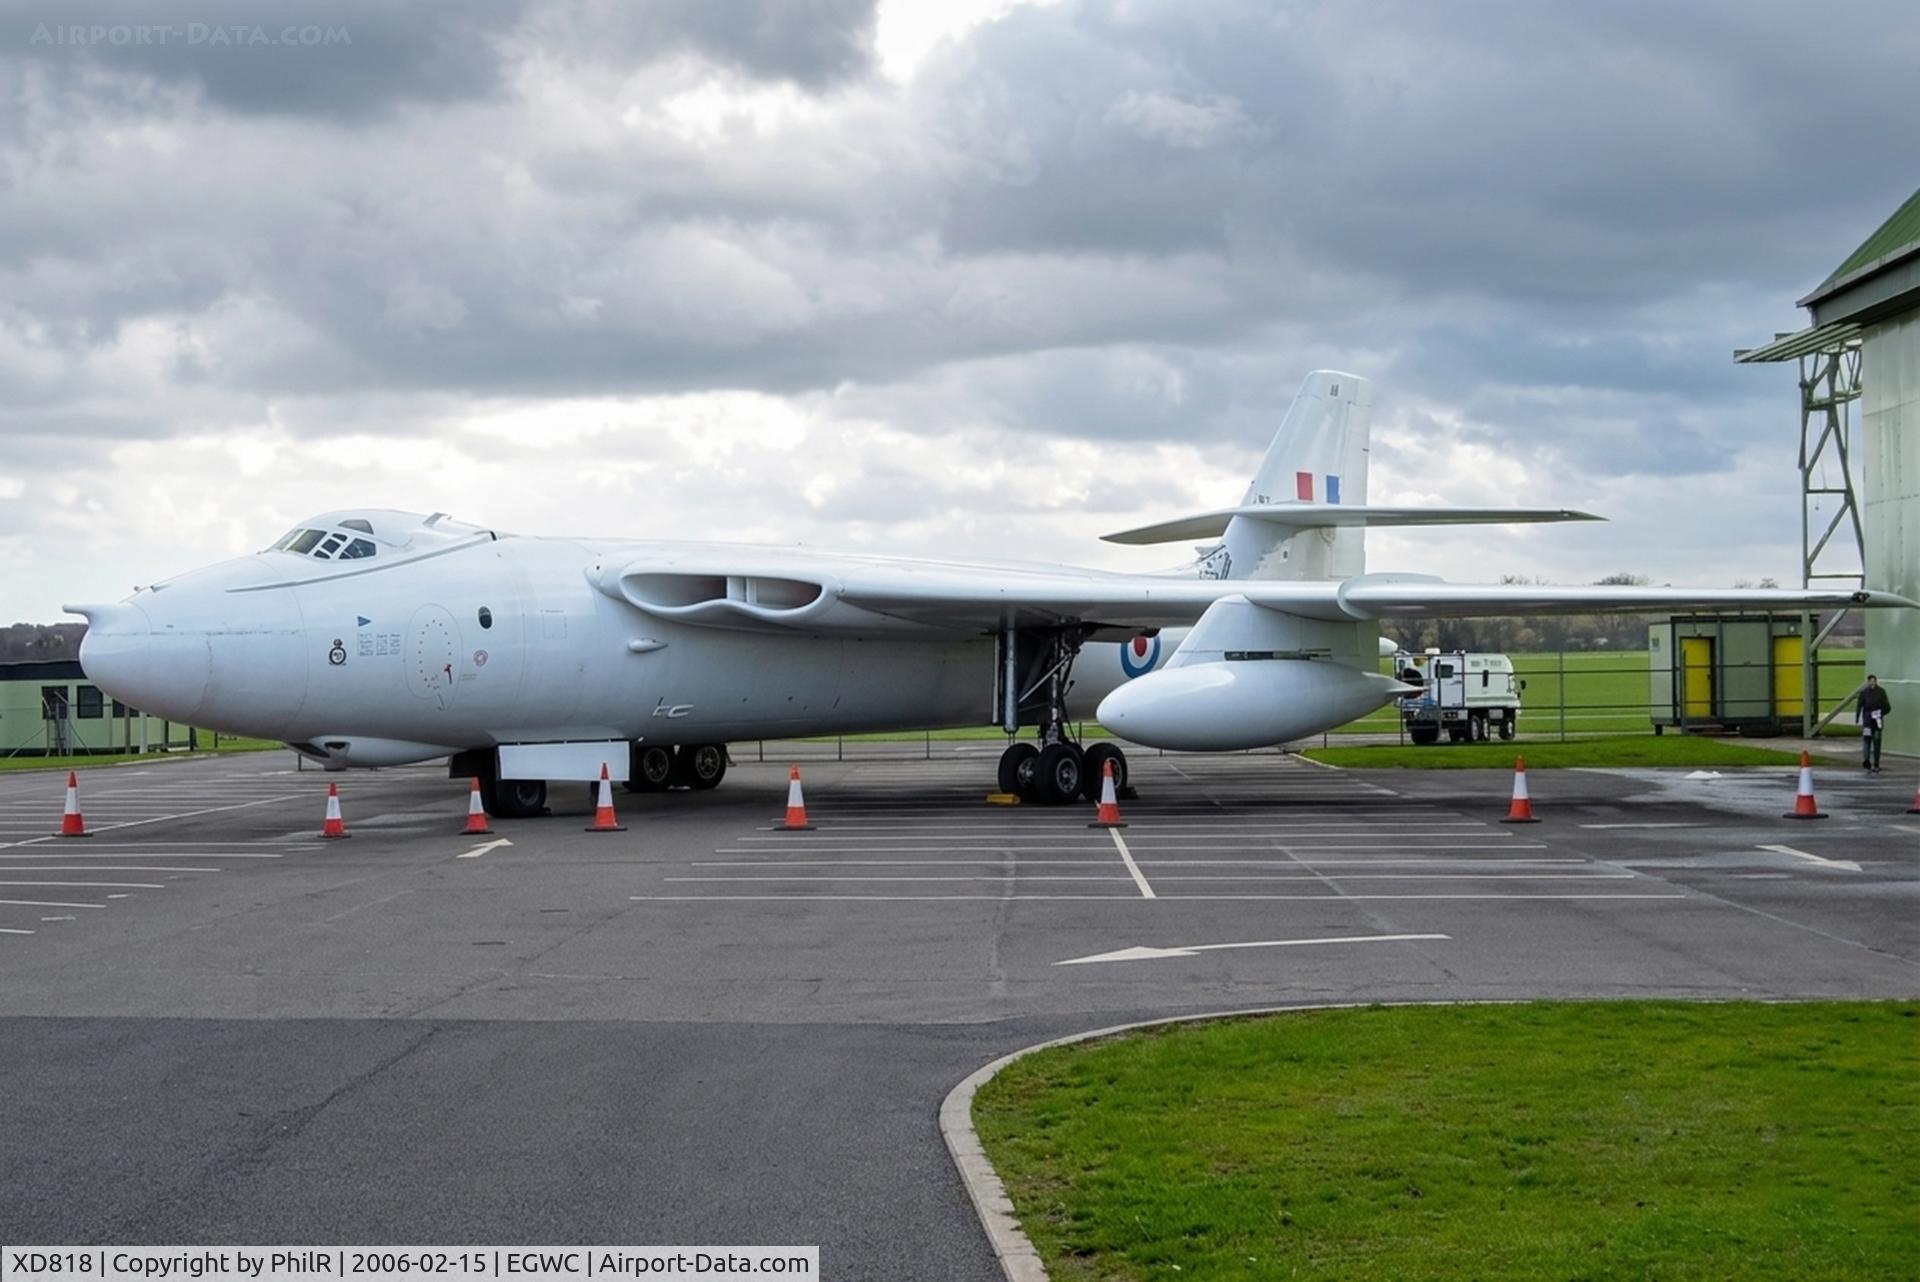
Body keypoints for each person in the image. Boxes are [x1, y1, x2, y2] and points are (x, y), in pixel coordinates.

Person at [1857, 674, 1891, 774]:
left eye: (1874, 681)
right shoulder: (1864, 693)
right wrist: (1858, 718)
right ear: (1868, 682)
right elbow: (1859, 706)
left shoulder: (1881, 692)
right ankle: (1866, 761)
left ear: (1876, 681)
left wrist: (1880, 713)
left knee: (1877, 741)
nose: (1872, 683)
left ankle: (1876, 763)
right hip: (1867, 721)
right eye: (1870, 681)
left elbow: (1887, 706)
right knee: (1867, 741)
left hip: (1877, 721)